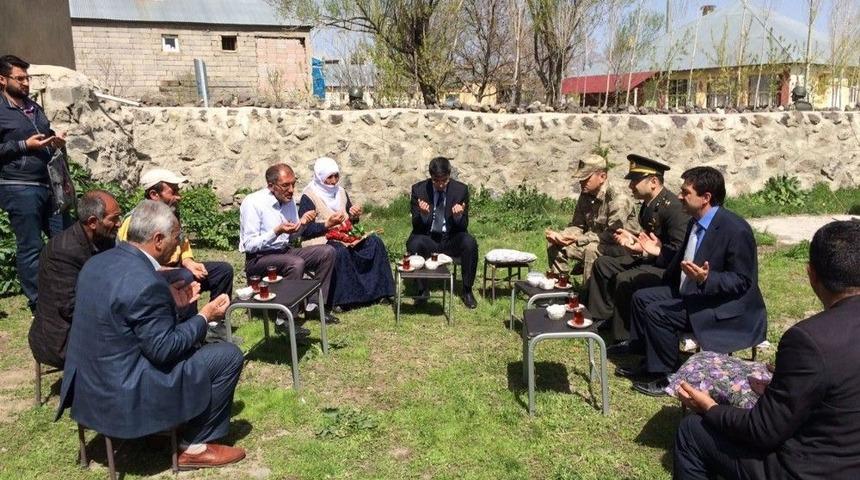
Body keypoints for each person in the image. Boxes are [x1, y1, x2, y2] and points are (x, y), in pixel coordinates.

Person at [56, 200, 246, 469]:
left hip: (89, 387)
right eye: (176, 237)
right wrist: (205, 316)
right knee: (227, 355)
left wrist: (176, 311)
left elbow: (124, 326)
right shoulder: (146, 281)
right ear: (158, 239)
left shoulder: (96, 263)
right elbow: (164, 349)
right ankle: (195, 445)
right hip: (123, 393)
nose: (179, 244)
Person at [673, 220, 860, 480]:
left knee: (693, 431)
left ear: (811, 274)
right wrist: (785, 380)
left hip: (811, 470)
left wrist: (710, 408)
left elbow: (762, 431)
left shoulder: (808, 339)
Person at [618, 166, 767, 396]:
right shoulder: (694, 221)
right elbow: (679, 260)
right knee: (641, 298)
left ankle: (667, 376)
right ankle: (647, 360)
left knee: (659, 312)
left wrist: (708, 278)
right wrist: (649, 251)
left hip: (720, 304)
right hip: (692, 291)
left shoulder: (735, 229)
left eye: (685, 192)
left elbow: (743, 281)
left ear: (705, 198)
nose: (679, 196)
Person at [583, 154, 688, 344]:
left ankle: (626, 337)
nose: (631, 186)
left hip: (665, 266)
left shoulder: (673, 208)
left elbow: (678, 249)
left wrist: (646, 250)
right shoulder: (649, 205)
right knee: (603, 264)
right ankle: (603, 316)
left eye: (635, 181)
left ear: (653, 182)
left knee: (625, 279)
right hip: (650, 258)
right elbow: (647, 239)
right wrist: (634, 243)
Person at [0, 54, 72, 312]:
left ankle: (67, 293)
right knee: (31, 246)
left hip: (48, 184)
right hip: (18, 186)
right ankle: (38, 303)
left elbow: (44, 133)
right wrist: (23, 146)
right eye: (19, 78)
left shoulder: (33, 107)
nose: (25, 83)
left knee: (64, 238)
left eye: (27, 78)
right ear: (2, 79)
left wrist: (55, 138)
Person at [117, 169, 234, 319]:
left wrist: (188, 261)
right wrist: (165, 269)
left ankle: (217, 323)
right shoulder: (135, 221)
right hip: (150, 276)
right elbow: (130, 263)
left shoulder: (171, 215)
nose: (179, 197)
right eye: (173, 192)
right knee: (184, 276)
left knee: (222, 271)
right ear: (154, 194)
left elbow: (182, 244)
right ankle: (189, 328)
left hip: (175, 268)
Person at [28, 190, 122, 368]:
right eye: (114, 218)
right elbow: (70, 307)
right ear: (93, 222)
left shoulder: (104, 239)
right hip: (61, 338)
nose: (119, 224)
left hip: (89, 322)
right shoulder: (62, 252)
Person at [239, 163, 339, 326]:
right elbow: (249, 245)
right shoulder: (253, 203)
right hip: (258, 259)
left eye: (293, 184)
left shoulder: (289, 200)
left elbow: (291, 237)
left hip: (284, 251)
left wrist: (303, 224)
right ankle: (284, 318)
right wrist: (276, 232)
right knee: (295, 262)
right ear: (271, 186)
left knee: (328, 251)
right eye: (286, 185)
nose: (291, 190)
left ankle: (313, 305)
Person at [298, 156, 395, 310]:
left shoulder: (341, 192)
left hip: (345, 234)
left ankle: (381, 291)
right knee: (339, 251)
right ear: (320, 177)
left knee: (375, 243)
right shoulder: (309, 197)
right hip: (321, 238)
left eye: (336, 176)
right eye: (329, 177)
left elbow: (350, 219)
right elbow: (305, 229)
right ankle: (344, 300)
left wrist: (354, 215)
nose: (334, 181)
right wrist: (327, 224)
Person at [545, 154, 639, 283]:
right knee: (553, 244)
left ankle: (588, 294)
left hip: (623, 248)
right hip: (594, 241)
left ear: (602, 177)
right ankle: (561, 286)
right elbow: (578, 225)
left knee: (591, 250)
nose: (581, 182)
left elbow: (613, 235)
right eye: (581, 178)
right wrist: (562, 236)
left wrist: (580, 239)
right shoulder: (586, 195)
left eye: (586, 178)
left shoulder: (617, 199)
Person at [406, 156, 479, 309]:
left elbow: (464, 225)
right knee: (414, 242)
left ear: (449, 175)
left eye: (443, 181)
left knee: (469, 242)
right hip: (429, 237)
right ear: (430, 176)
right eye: (435, 181)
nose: (440, 184)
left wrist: (459, 216)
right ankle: (422, 289)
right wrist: (423, 215)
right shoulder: (418, 190)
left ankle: (467, 290)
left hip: (450, 238)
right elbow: (416, 226)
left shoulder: (461, 190)